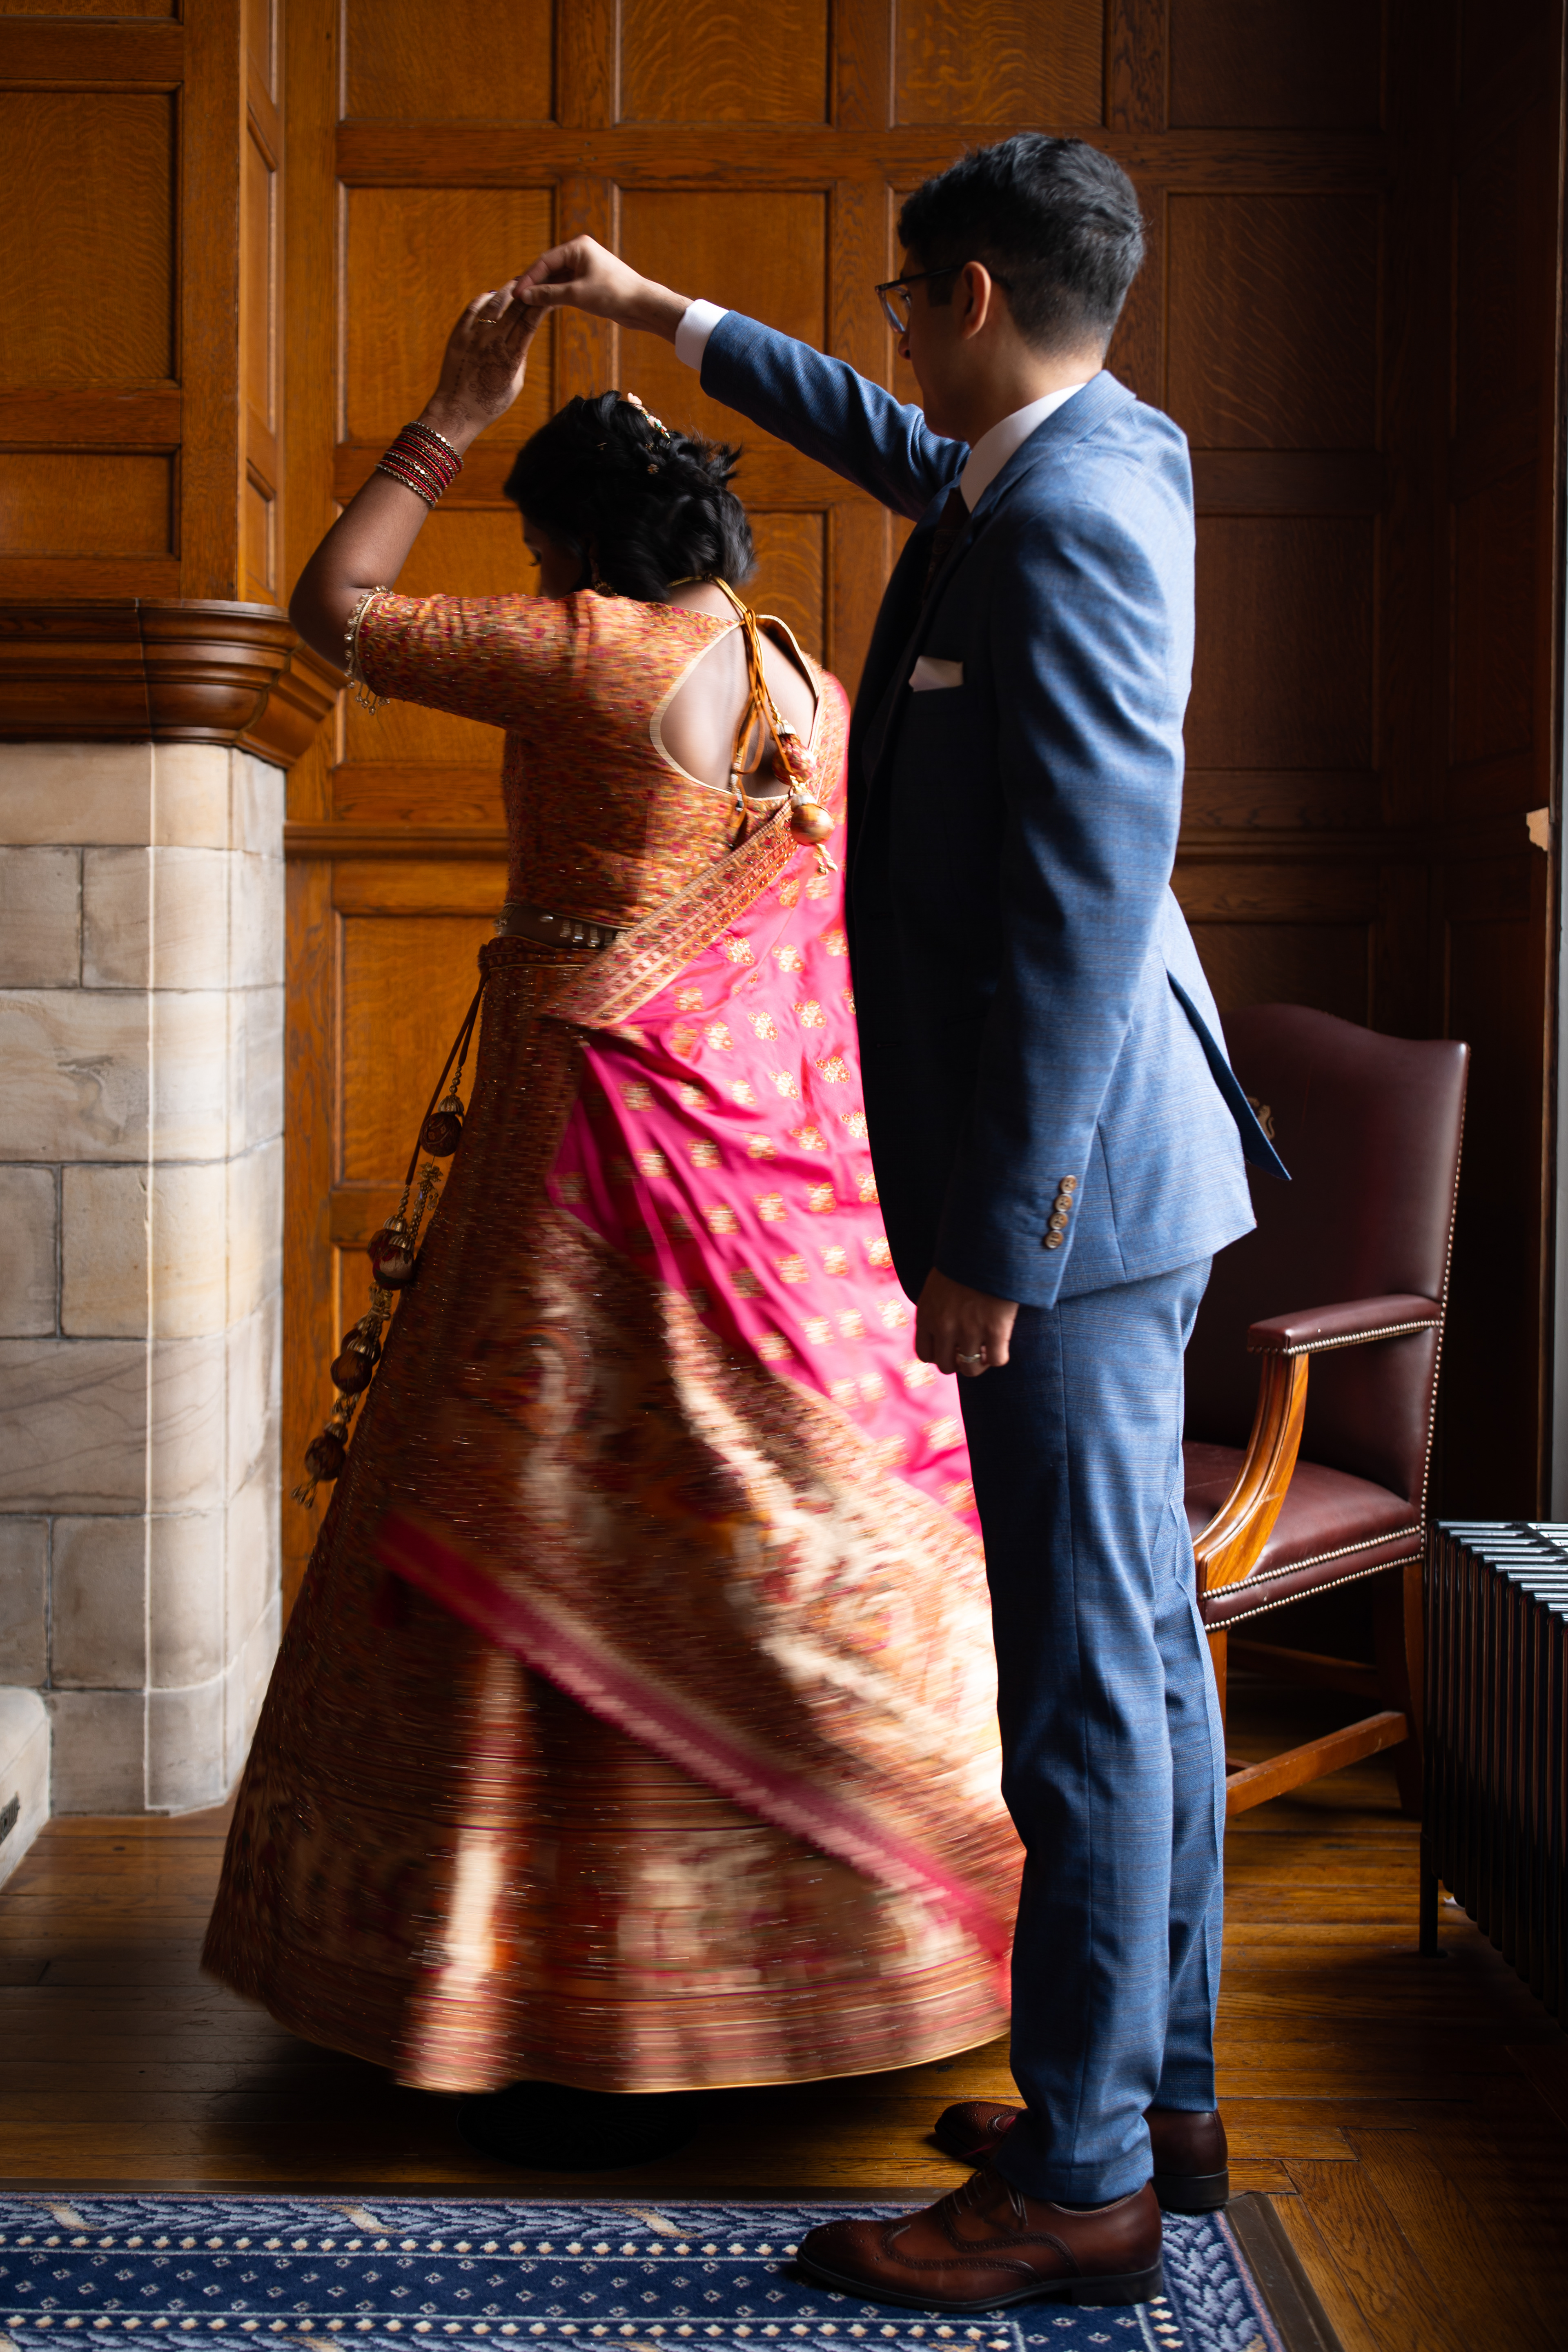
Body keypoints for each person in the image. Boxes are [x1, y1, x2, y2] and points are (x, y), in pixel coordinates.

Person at [513, 134, 1287, 2297]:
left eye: (885, 298)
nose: (876, 334)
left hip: (1080, 1191)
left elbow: (1078, 901)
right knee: (1135, 1650)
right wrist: (668, 317)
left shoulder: (1082, 519)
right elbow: (883, 440)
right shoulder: (1072, 444)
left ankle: (1078, 2185)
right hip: (1117, 1171)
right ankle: (1159, 2092)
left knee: (1078, 1684)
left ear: (960, 294)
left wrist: (994, 1240)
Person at [201, 287, 1022, 2169]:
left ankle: (486, 1980)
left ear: (569, 544)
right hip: (779, 1183)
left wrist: (440, 416)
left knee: (533, 1501)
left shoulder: (580, 651)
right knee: (754, 1525)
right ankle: (848, 1960)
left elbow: (329, 615)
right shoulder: (808, 683)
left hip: (585, 1155)